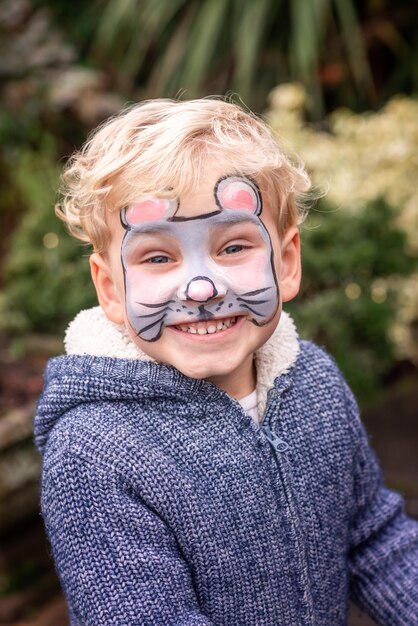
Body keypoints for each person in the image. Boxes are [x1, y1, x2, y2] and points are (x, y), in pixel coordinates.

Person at [34, 98, 418, 626]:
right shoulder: (95, 456)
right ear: (110, 288)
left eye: (233, 246)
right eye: (158, 257)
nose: (201, 287)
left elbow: (374, 538)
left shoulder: (315, 385)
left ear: (285, 263)